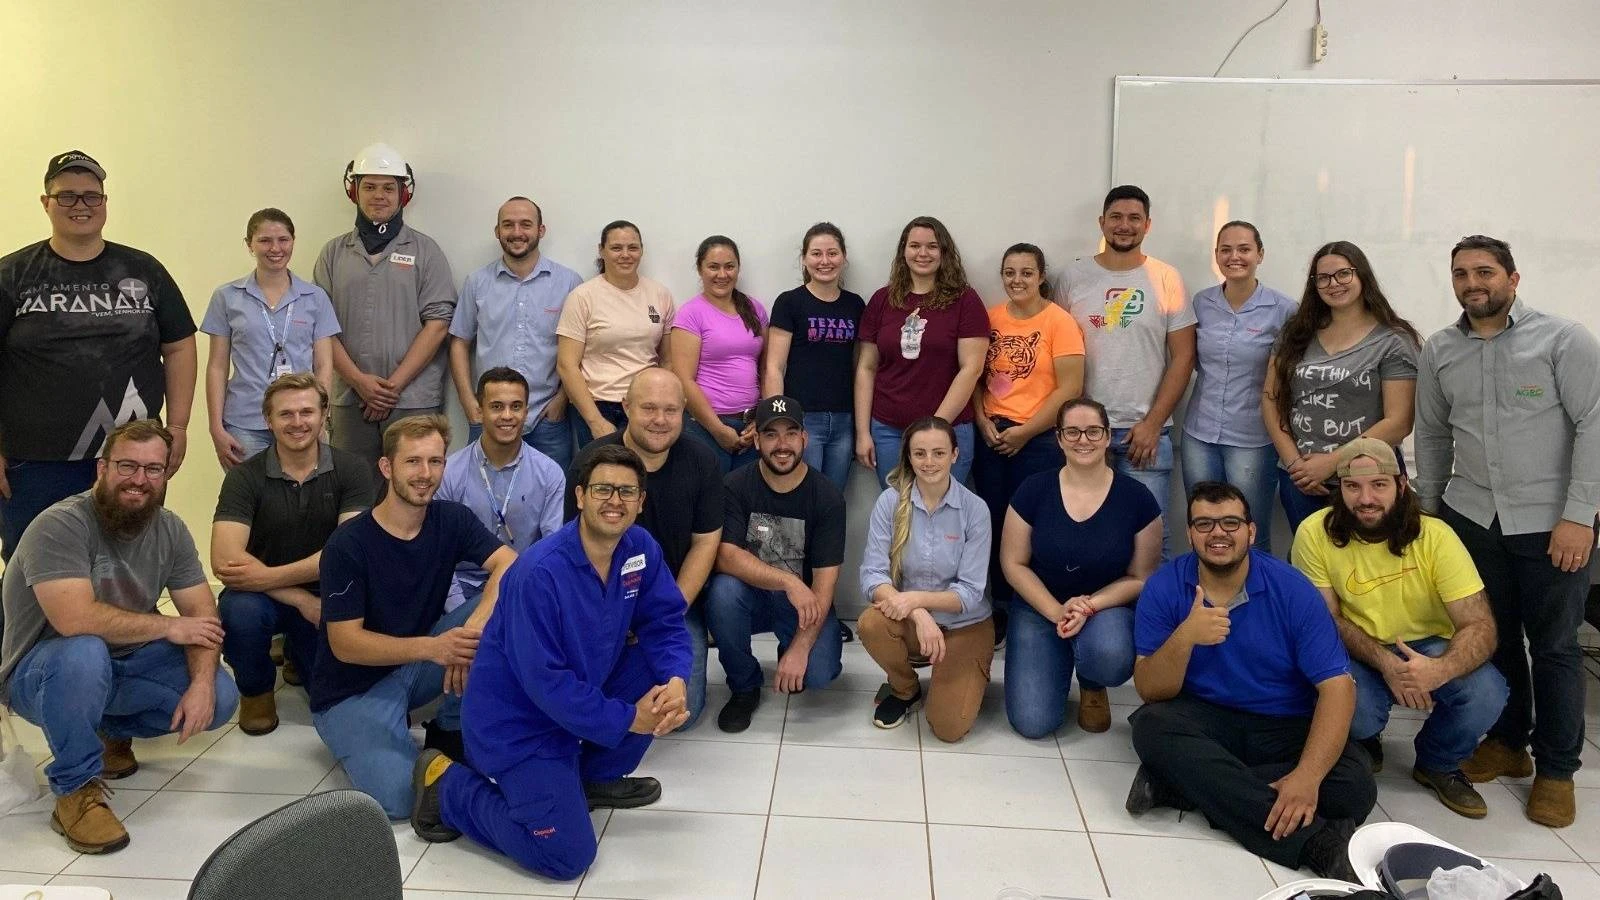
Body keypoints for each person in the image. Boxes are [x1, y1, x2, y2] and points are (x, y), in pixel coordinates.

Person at [410, 443, 692, 881]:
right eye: (602, 489)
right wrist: (628, 719)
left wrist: (675, 680)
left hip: (578, 699)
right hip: (520, 725)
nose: (614, 501)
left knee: (656, 670)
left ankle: (586, 780)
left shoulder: (639, 548)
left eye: (626, 492)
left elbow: (665, 621)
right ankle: (447, 787)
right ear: (580, 496)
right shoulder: (539, 573)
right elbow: (545, 683)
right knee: (566, 856)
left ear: (641, 502)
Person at [1415, 235, 1600, 828]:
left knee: (1555, 647)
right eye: (1461, 273)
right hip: (1471, 518)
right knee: (1492, 638)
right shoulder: (1441, 349)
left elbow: (1594, 425)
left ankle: (1557, 770)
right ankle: (1508, 742)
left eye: (1485, 272)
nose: (1473, 283)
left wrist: (1580, 516)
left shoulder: (1564, 340)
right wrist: (1428, 514)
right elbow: (1433, 434)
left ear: (1513, 279)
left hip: (1551, 524)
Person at [0, 420, 238, 855]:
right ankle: (75, 791)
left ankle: (106, 728)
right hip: (44, 671)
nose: (139, 480)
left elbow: (202, 615)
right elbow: (75, 620)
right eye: (127, 466)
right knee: (84, 651)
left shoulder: (170, 529)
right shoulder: (59, 525)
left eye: (153, 469)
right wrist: (168, 626)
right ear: (102, 468)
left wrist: (202, 684)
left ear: (165, 475)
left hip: (123, 661)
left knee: (221, 699)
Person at [1126, 482, 1373, 882]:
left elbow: (1338, 688)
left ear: (1251, 531)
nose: (1218, 533)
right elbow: (1151, 691)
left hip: (1284, 723)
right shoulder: (1165, 586)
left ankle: (1180, 785)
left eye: (1230, 523)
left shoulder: (1292, 589)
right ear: (1190, 533)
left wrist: (1307, 777)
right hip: (1205, 717)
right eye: (1204, 524)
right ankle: (1317, 843)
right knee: (1151, 727)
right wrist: (1185, 637)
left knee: (1356, 786)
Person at [310, 415, 516, 819]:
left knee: (504, 607)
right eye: (413, 462)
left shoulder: (451, 519)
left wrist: (471, 631)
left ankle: (451, 727)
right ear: (387, 467)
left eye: (435, 461)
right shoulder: (348, 544)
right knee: (400, 801)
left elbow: (509, 564)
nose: (425, 474)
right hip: (352, 690)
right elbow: (345, 644)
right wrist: (436, 648)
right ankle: (366, 736)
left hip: (416, 666)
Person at [0, 150, 197, 565]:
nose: (81, 205)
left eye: (92, 196)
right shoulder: (13, 275)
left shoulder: (144, 269)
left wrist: (178, 426)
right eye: (67, 196)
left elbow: (179, 345)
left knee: (126, 565)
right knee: (35, 567)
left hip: (129, 458)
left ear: (105, 203)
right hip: (34, 461)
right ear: (46, 203)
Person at [1291, 438, 1505, 818]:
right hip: (1356, 647)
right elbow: (1326, 621)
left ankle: (1438, 762)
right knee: (1354, 709)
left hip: (1429, 645)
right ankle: (1365, 739)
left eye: (1379, 485)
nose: (1365, 498)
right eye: (1352, 486)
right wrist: (1388, 664)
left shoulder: (1436, 536)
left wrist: (1438, 670)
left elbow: (1480, 625)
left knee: (1488, 693)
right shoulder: (1313, 533)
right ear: (1340, 489)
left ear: (1401, 485)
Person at [211, 374, 373, 735]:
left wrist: (267, 576)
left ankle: (298, 657)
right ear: (268, 420)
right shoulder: (243, 477)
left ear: (324, 414)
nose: (297, 422)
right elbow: (224, 560)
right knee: (239, 613)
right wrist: (299, 598)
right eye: (285, 414)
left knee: (331, 696)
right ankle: (256, 691)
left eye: (306, 412)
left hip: (327, 593)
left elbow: (348, 554)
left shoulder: (353, 470)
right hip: (260, 596)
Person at [568, 368, 722, 727]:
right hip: (604, 605)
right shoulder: (592, 463)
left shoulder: (703, 462)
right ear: (626, 407)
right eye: (649, 408)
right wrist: (617, 617)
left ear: (684, 410)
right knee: (592, 700)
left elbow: (705, 543)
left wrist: (668, 610)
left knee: (681, 715)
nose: (660, 420)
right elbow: (579, 553)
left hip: (675, 603)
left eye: (670, 410)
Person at [1001, 399, 1161, 738]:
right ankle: (1059, 653)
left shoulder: (1138, 498)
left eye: (1093, 431)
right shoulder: (1033, 489)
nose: (1083, 440)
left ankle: (1091, 681)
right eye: (1072, 432)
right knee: (1033, 723)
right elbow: (1012, 563)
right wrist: (1057, 611)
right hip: (1039, 606)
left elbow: (1141, 577)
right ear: (1059, 439)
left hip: (1105, 608)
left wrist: (1088, 606)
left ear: (1108, 437)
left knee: (1109, 656)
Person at [313, 142, 457, 482]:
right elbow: (320, 326)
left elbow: (438, 325)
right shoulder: (333, 254)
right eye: (370, 187)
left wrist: (391, 387)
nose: (379, 195)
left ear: (403, 194)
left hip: (413, 400)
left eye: (388, 188)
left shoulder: (426, 251)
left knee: (416, 485)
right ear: (354, 192)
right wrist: (359, 382)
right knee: (353, 490)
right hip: (350, 400)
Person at [1059, 185, 1195, 530]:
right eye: (1116, 217)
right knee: (1088, 534)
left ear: (1147, 225)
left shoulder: (1167, 278)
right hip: (1084, 433)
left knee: (1150, 538)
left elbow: (1184, 357)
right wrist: (1075, 426)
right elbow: (1056, 352)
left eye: (1134, 218)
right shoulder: (1073, 277)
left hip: (1145, 435)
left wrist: (1153, 423)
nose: (1124, 225)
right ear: (1102, 222)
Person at [706, 396, 846, 733]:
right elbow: (725, 556)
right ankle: (744, 686)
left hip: (803, 606)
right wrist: (788, 581)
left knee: (818, 673)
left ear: (804, 439)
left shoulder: (827, 497)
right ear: (756, 440)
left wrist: (800, 648)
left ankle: (789, 646)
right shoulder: (734, 485)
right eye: (771, 434)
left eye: (790, 433)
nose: (782, 445)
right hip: (751, 596)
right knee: (722, 592)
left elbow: (824, 587)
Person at [1263, 241, 1419, 535]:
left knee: (1371, 559)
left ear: (1361, 275)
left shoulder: (1393, 341)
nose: (1333, 284)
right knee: (1310, 559)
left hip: (1368, 480)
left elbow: (1399, 422)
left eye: (1343, 274)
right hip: (1302, 481)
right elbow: (1271, 399)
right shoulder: (1296, 332)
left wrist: (1332, 463)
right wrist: (1295, 465)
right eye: (1323, 278)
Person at [973, 243, 1084, 636]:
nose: (1016, 280)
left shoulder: (1059, 322)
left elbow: (1070, 389)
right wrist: (981, 419)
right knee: (992, 521)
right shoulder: (990, 318)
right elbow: (973, 375)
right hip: (991, 436)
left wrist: (1026, 431)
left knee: (1034, 525)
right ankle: (1000, 607)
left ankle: (1033, 607)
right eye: (1009, 272)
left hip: (1039, 440)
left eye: (1026, 272)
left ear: (1041, 277)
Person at [857, 417, 992, 739]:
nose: (929, 462)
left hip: (965, 624)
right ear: (908, 457)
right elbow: (872, 575)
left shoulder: (975, 510)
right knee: (871, 624)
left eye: (938, 453)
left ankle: (962, 674)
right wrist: (918, 613)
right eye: (919, 453)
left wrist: (914, 599)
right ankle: (905, 689)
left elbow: (970, 593)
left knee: (949, 728)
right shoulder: (890, 502)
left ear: (955, 455)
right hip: (912, 620)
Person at [436, 367, 565, 686]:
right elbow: (439, 559)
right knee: (467, 653)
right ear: (479, 410)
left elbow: (551, 554)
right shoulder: (449, 473)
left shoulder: (550, 474)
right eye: (496, 406)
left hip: (519, 585)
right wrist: (464, 612)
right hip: (460, 589)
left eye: (516, 406)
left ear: (526, 411)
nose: (507, 416)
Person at [1181, 221, 1296, 551]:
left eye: (1244, 249)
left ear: (1260, 254)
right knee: (1203, 527)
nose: (1235, 257)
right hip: (1199, 434)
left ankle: (1255, 585)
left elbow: (1289, 378)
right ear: (1216, 255)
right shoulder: (1201, 303)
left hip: (1253, 440)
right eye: (1226, 250)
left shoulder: (1284, 310)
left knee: (1250, 532)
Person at [447, 197, 584, 471]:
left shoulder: (569, 283)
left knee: (554, 492)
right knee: (482, 491)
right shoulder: (477, 282)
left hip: (547, 418)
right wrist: (469, 402)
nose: (517, 232)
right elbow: (459, 342)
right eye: (508, 225)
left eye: (526, 224)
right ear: (497, 231)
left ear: (540, 230)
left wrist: (562, 400)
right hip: (489, 417)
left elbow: (583, 350)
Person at [855, 216, 988, 487]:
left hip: (948, 431)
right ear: (903, 251)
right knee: (898, 508)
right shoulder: (882, 300)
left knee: (943, 509)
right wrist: (862, 433)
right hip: (888, 431)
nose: (923, 253)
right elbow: (866, 368)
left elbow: (971, 369)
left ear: (944, 252)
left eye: (932, 246)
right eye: (915, 246)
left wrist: (934, 430)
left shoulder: (965, 300)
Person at [202, 208, 340, 468]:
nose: (275, 248)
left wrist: (321, 417)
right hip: (245, 423)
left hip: (301, 421)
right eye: (265, 240)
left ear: (293, 242)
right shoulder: (227, 297)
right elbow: (217, 367)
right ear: (249, 245)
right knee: (252, 492)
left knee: (304, 490)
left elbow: (324, 365)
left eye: (283, 240)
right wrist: (215, 427)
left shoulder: (315, 298)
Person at [763, 222, 865, 491]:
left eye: (832, 253)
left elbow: (859, 368)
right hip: (802, 419)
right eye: (816, 253)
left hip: (843, 420)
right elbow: (774, 367)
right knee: (800, 495)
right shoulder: (789, 302)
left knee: (833, 497)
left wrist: (860, 425)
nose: (824, 261)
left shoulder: (855, 305)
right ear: (804, 258)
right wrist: (777, 420)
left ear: (843, 257)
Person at [557, 220, 676, 448]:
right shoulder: (582, 297)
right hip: (597, 404)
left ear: (642, 250)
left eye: (633, 247)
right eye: (616, 248)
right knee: (602, 469)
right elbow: (566, 365)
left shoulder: (660, 295)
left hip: (644, 405)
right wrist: (595, 421)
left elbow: (667, 361)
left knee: (644, 469)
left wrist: (660, 404)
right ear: (601, 251)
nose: (625, 255)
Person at [671, 235, 767, 472]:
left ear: (738, 268)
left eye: (729, 266)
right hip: (705, 426)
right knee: (710, 492)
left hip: (751, 428)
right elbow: (684, 380)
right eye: (713, 267)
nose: (722, 274)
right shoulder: (690, 314)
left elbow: (765, 369)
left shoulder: (755, 309)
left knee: (744, 493)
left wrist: (761, 418)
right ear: (700, 269)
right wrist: (717, 429)